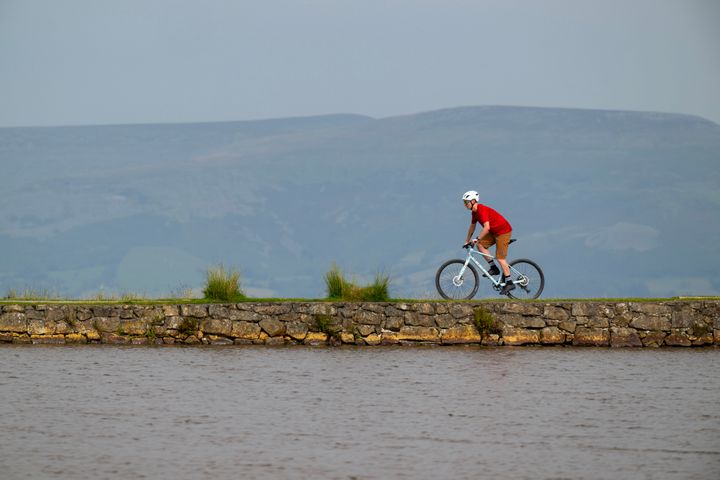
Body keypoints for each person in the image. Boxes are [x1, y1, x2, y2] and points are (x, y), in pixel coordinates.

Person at [461, 190, 515, 294]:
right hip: (494, 232)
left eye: (466, 202)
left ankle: (509, 282)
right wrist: (467, 240)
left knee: (500, 258)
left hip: (503, 232)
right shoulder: (474, 212)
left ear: (473, 201)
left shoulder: (481, 210)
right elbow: (472, 227)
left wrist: (477, 238)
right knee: (480, 245)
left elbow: (486, 227)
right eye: (464, 202)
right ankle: (494, 268)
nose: (465, 205)